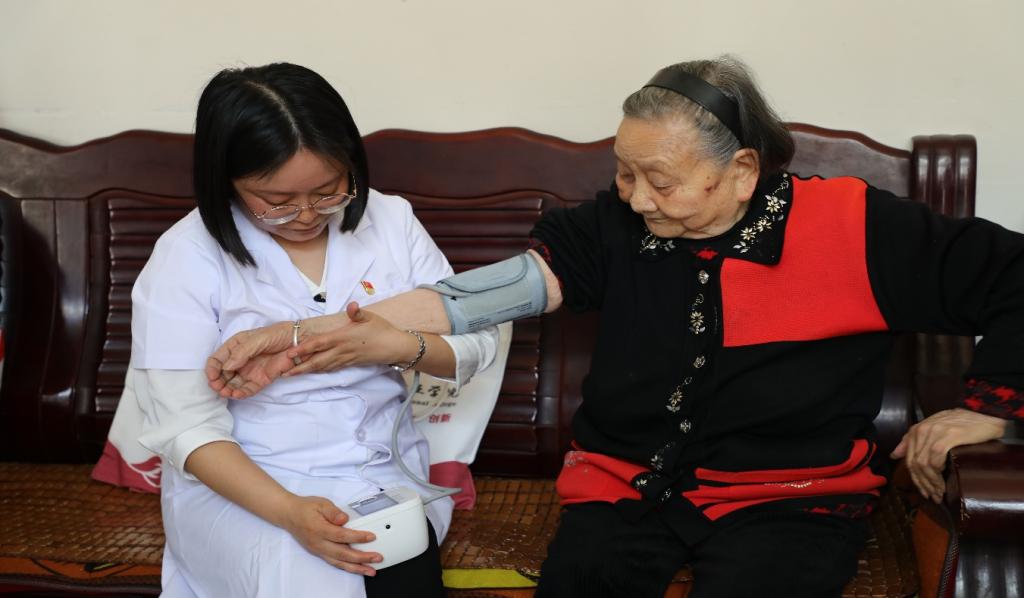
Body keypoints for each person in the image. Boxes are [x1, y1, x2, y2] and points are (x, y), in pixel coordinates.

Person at [205, 56, 1023, 597]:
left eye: (658, 179)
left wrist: (990, 407)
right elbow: (486, 295)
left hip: (791, 497)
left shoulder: (857, 228)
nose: (634, 198)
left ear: (742, 170)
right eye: (624, 173)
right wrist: (303, 334)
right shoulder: (616, 224)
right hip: (627, 487)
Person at [125, 62, 498, 598]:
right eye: (276, 202)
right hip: (249, 487)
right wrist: (289, 511)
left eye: (328, 191)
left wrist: (392, 345)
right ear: (225, 181)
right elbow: (187, 428)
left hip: (384, 475)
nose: (305, 215)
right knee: (312, 577)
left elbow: (475, 342)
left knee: (392, 571)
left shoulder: (392, 221)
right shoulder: (186, 257)